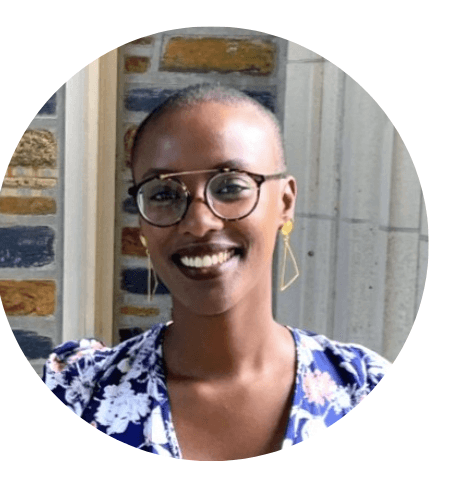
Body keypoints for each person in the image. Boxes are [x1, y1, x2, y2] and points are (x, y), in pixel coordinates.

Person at [43, 84, 390, 460]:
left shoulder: (367, 392)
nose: (199, 222)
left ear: (285, 202)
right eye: (163, 194)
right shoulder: (78, 395)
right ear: (141, 223)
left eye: (230, 187)